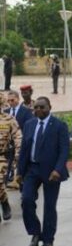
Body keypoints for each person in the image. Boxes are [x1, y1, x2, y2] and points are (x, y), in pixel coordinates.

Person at [16, 97, 69, 246]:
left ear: (49, 107)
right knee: (26, 200)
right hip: (32, 170)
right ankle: (35, 232)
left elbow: (64, 150)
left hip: (52, 171)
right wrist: (20, 172)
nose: (38, 110)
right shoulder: (29, 124)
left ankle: (48, 240)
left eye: (42, 107)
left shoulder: (59, 126)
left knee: (49, 206)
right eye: (36, 107)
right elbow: (24, 149)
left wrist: (58, 170)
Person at [5, 90, 33, 190]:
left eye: (12, 100)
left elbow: (29, 127)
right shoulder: (5, 112)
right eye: (8, 100)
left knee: (20, 161)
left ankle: (20, 180)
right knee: (9, 162)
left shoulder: (26, 112)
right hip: (8, 143)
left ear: (18, 99)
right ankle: (10, 179)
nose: (10, 102)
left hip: (21, 141)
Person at [0, 93, 21, 221]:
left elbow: (18, 137)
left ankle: (4, 203)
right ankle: (3, 200)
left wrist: (18, 154)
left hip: (2, 157)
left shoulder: (9, 119)